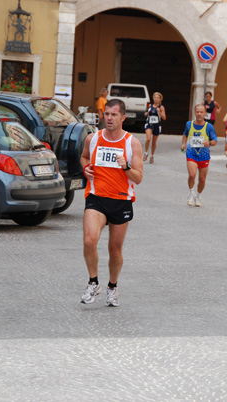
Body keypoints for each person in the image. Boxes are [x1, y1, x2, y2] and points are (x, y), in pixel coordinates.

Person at [80, 98, 143, 307]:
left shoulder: (131, 143)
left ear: (122, 117)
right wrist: (85, 168)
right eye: (106, 114)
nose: (109, 118)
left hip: (120, 200)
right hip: (96, 197)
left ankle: (112, 286)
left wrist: (126, 167)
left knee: (114, 250)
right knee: (90, 240)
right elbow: (84, 158)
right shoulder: (93, 139)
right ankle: (93, 282)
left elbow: (138, 178)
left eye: (113, 114)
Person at [181, 104, 218, 207]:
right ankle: (191, 192)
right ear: (194, 112)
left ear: (205, 113)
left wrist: (209, 143)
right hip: (191, 154)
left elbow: (215, 141)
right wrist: (184, 143)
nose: (199, 114)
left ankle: (198, 195)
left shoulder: (209, 127)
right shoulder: (189, 124)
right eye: (197, 112)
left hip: (204, 156)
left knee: (202, 179)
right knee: (192, 175)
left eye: (201, 112)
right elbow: (185, 134)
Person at [143, 92, 166, 164]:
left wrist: (160, 112)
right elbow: (146, 113)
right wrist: (146, 114)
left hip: (157, 125)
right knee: (148, 138)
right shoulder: (150, 106)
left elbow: (164, 118)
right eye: (155, 97)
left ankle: (152, 155)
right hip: (149, 124)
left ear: (160, 99)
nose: (156, 99)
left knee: (153, 142)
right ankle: (146, 153)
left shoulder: (161, 107)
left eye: (157, 98)